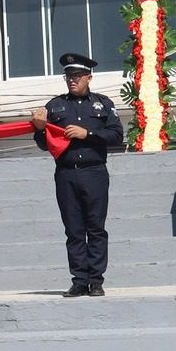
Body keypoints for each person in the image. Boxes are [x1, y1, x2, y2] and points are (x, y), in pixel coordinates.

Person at [31, 53, 123, 297]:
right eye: (68, 76)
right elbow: (44, 143)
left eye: (77, 76)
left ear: (89, 77)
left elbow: (116, 136)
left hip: (94, 172)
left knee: (95, 228)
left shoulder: (103, 104)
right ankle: (79, 280)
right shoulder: (55, 106)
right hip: (66, 174)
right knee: (73, 230)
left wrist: (88, 135)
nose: (72, 80)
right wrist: (40, 129)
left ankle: (96, 281)